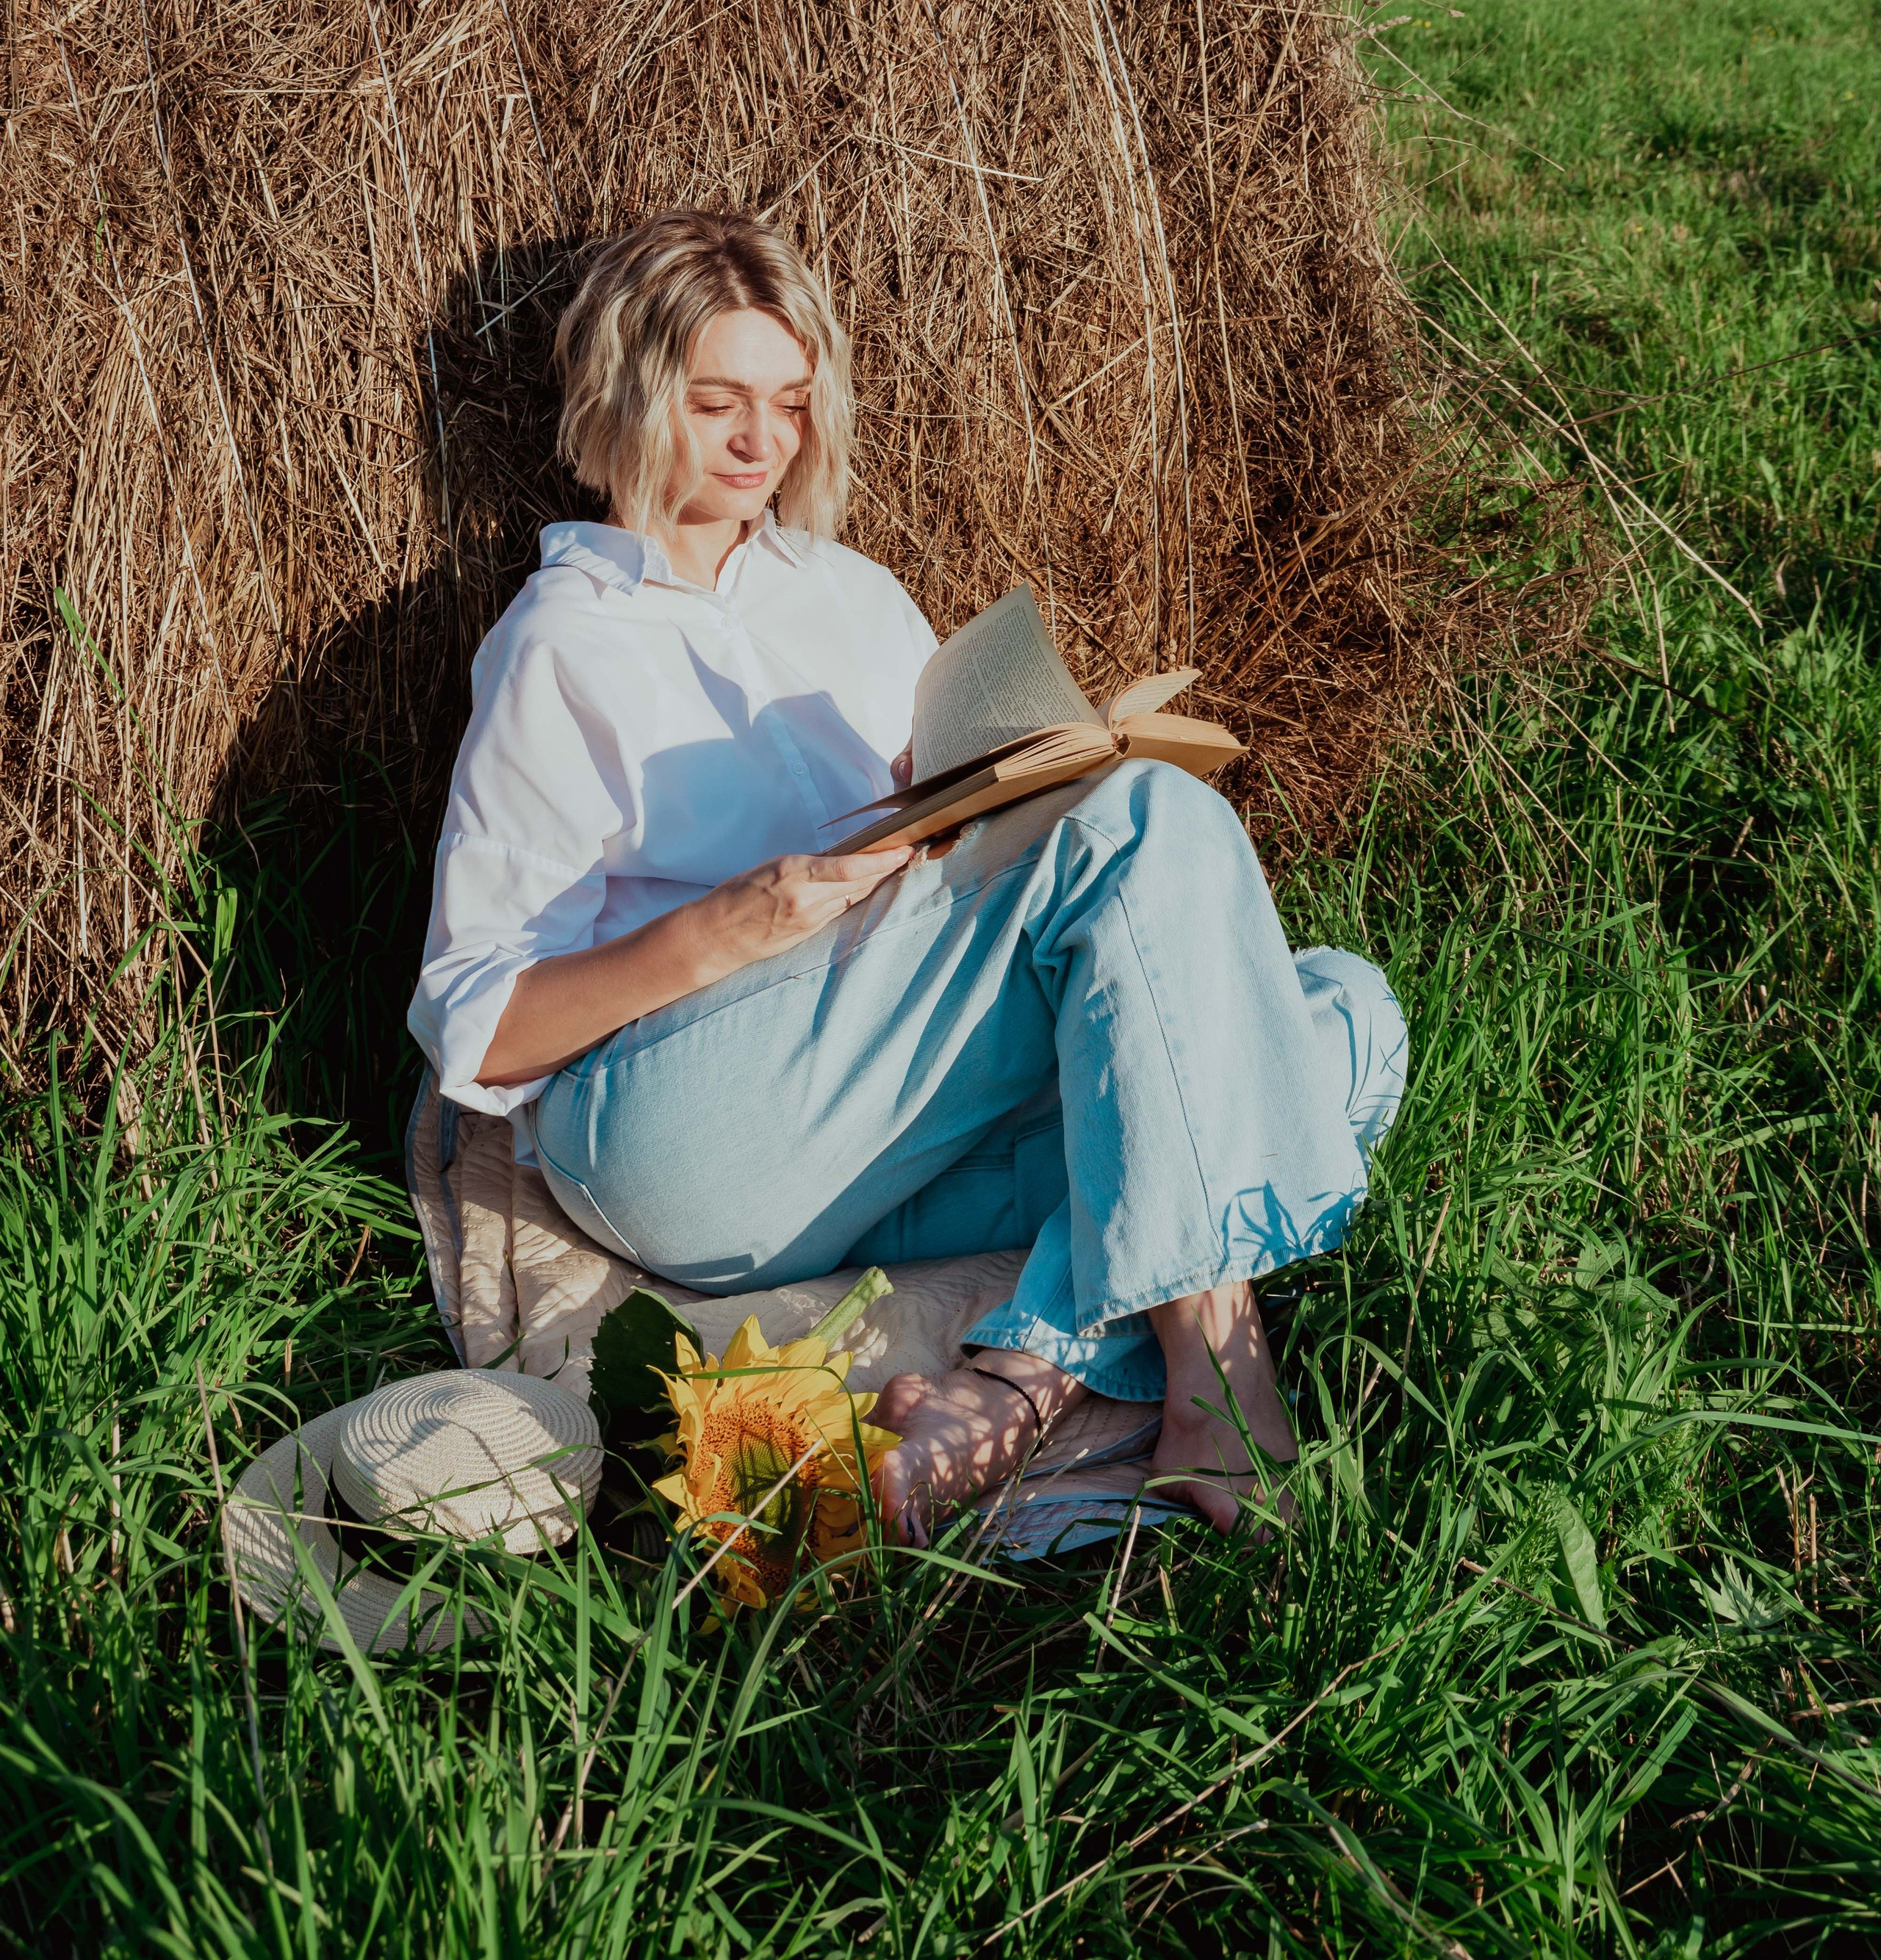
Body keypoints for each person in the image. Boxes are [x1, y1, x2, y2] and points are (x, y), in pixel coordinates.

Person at [409, 212, 1405, 1544]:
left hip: (884, 1110)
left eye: (791, 404)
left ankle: (1017, 1375)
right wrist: (726, 925)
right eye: (718, 404)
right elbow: (476, 1022)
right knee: (1152, 827)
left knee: (1342, 1014)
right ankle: (1215, 1380)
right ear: (633, 398)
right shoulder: (561, 648)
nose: (765, 444)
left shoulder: (852, 595)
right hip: (683, 1132)